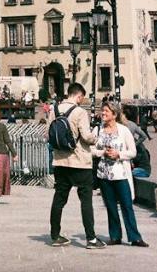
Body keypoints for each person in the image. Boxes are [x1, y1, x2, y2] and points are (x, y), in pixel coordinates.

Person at [48, 82, 102, 248]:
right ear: (79, 96)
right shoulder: (80, 112)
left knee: (59, 198)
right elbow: (86, 137)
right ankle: (91, 239)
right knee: (85, 200)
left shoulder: (53, 110)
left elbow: (48, 133)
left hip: (60, 161)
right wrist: (95, 136)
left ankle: (55, 235)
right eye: (82, 98)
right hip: (79, 161)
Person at [91, 100, 147, 247]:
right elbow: (90, 149)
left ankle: (135, 237)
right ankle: (115, 235)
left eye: (106, 111)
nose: (103, 113)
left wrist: (119, 154)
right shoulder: (98, 130)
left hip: (120, 173)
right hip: (104, 174)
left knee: (127, 205)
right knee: (110, 206)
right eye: (102, 111)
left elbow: (133, 151)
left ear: (114, 114)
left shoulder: (124, 130)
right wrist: (102, 152)